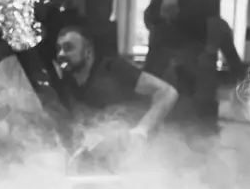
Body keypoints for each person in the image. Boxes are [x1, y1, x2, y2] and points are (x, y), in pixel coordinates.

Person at [55, 25, 178, 156]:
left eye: (69, 48)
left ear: (88, 51)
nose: (61, 54)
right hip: (108, 159)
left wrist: (142, 130)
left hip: (145, 156)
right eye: (59, 49)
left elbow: (167, 92)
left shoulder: (113, 69)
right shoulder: (66, 84)